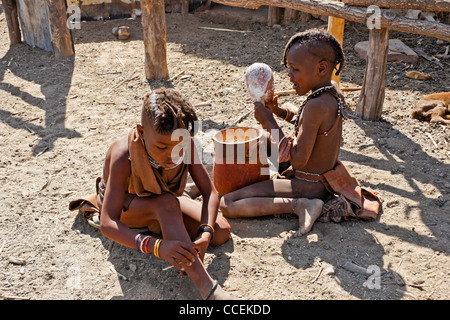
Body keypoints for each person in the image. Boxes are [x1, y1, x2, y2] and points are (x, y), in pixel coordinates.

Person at [70, 87, 233, 300]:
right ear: (141, 131)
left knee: (220, 231)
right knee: (166, 204)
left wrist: (204, 236)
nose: (172, 154)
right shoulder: (123, 155)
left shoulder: (185, 143)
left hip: (165, 201)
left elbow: (210, 192)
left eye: (180, 146)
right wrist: (157, 246)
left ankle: (172, 228)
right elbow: (108, 223)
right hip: (128, 211)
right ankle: (208, 288)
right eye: (162, 146)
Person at [220, 29, 355, 236]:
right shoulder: (330, 94)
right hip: (320, 181)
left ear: (321, 68)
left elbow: (299, 160)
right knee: (262, 139)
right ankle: (258, 186)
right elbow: (308, 126)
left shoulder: (316, 105)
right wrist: (279, 111)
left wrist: (269, 121)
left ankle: (300, 206)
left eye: (295, 69)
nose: (289, 75)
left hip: (307, 185)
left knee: (227, 204)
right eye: (288, 68)